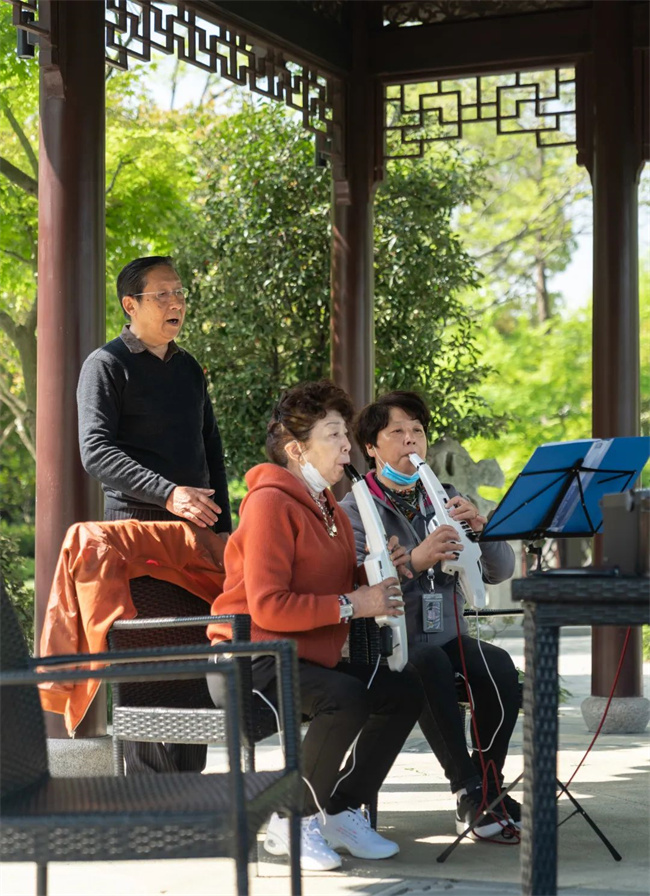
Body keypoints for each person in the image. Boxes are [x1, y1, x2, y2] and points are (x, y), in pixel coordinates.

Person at [207, 380, 423, 872]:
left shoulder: (330, 510)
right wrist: (354, 603)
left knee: (404, 691)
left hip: (302, 659)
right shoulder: (269, 503)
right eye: (334, 435)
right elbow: (268, 607)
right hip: (250, 662)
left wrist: (376, 572)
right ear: (296, 450)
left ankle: (340, 809)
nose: (348, 446)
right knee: (344, 699)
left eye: (345, 434)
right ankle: (291, 817)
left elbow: (335, 581)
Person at [340, 390, 520, 841]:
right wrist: (417, 559)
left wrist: (481, 530)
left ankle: (488, 784)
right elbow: (355, 585)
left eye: (417, 430)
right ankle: (468, 790)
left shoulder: (446, 496)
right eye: (397, 432)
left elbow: (499, 572)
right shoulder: (354, 510)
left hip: (446, 634)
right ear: (371, 447)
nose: (410, 440)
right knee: (429, 665)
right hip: (386, 642)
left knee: (499, 668)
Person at [77, 254, 231, 773]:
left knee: (193, 671)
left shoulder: (189, 368)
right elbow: (95, 452)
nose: (175, 302)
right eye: (162, 294)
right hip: (136, 541)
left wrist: (225, 531)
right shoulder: (105, 365)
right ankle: (146, 797)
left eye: (179, 292)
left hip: (197, 541)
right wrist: (168, 494)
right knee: (146, 670)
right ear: (130, 304)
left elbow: (211, 453)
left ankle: (187, 792)